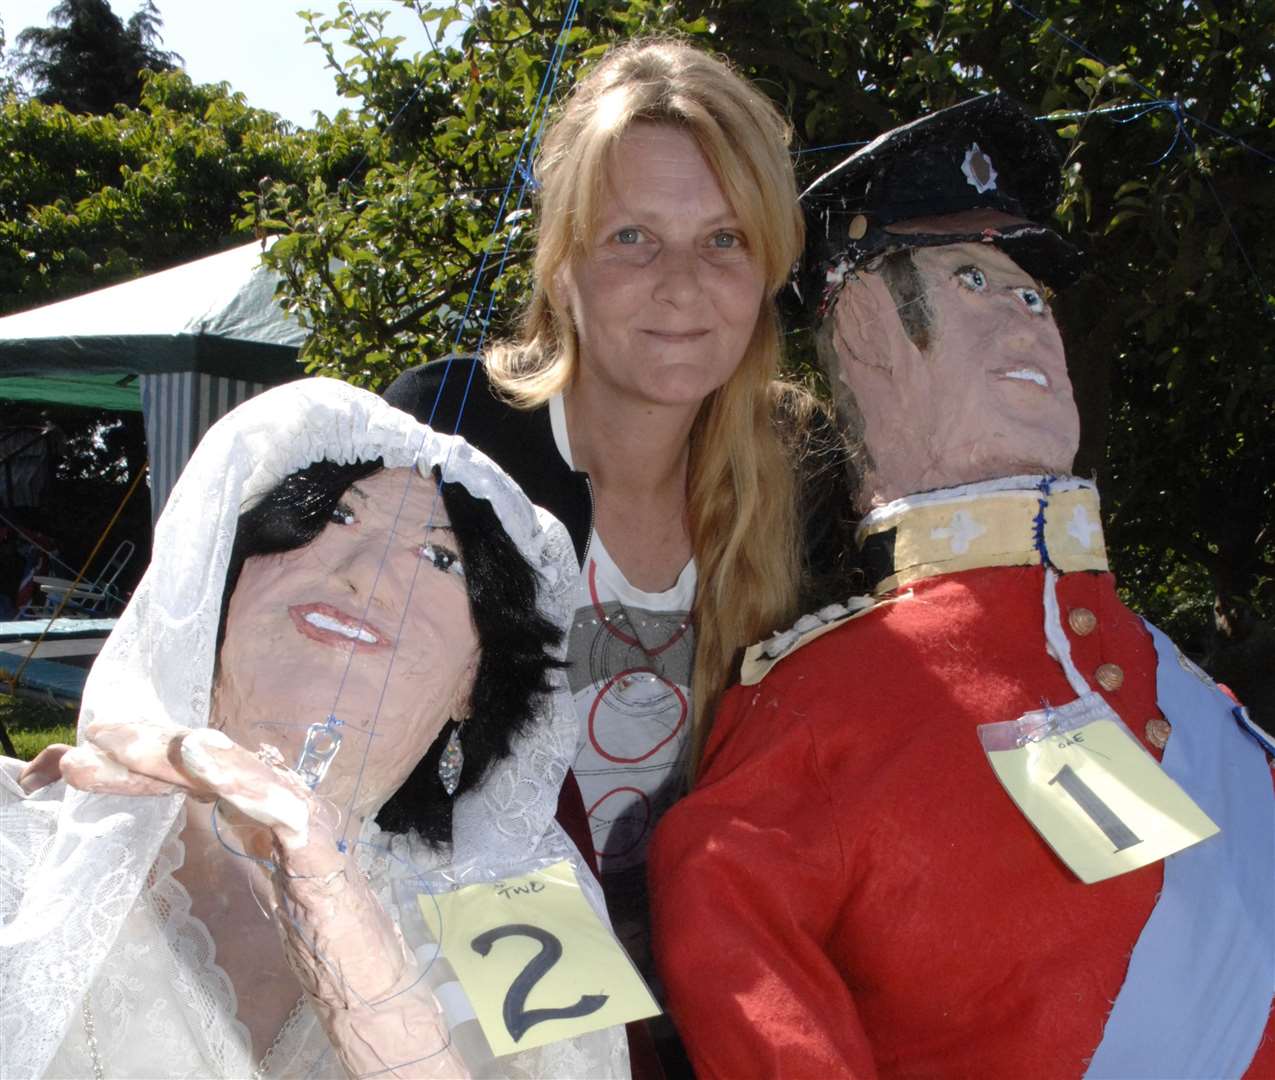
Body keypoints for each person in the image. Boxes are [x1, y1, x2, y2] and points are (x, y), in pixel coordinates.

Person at [649, 94, 1275, 1077]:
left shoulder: (1203, 708)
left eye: (1034, 297)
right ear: (866, 338)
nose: (1027, 322)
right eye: (974, 281)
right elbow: (728, 926)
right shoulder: (824, 711)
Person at [384, 37, 853, 982]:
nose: (680, 284)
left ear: (767, 270)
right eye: (631, 237)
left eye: (724, 239)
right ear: (562, 267)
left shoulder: (806, 468)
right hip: (467, 951)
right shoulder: (452, 437)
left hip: (719, 956)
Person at [0, 378, 629, 1079]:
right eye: (335, 517)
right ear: (223, 587)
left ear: (475, 685)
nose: (365, 575)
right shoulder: (22, 839)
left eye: (441, 558)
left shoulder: (532, 909)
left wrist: (360, 966)